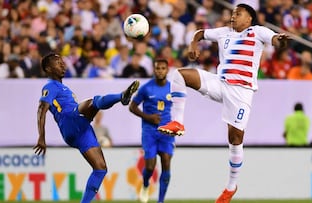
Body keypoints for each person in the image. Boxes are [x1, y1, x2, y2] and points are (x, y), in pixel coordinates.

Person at [157, 4, 289, 203]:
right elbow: (201, 33)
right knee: (179, 75)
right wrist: (193, 43)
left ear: (249, 19)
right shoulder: (224, 32)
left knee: (235, 139)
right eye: (233, 13)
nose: (233, 16)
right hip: (219, 82)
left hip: (241, 92)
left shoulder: (257, 31)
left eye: (239, 13)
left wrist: (280, 40)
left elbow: (275, 40)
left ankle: (230, 187)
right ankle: (178, 122)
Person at [33, 53, 139, 203]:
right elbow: (41, 109)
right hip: (70, 121)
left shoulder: (64, 88)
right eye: (58, 62)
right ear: (48, 68)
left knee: (100, 169)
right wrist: (41, 137)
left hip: (81, 130)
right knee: (94, 102)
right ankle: (122, 97)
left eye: (62, 62)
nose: (63, 65)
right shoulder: (50, 86)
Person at [129, 58, 173, 203]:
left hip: (166, 132)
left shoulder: (173, 88)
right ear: (154, 70)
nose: (160, 71)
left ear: (167, 70)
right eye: (157, 68)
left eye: (163, 68)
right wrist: (148, 117)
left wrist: (176, 124)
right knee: (150, 166)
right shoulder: (146, 88)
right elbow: (132, 107)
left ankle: (160, 200)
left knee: (166, 161)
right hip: (149, 131)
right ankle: (146, 184)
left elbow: (179, 107)